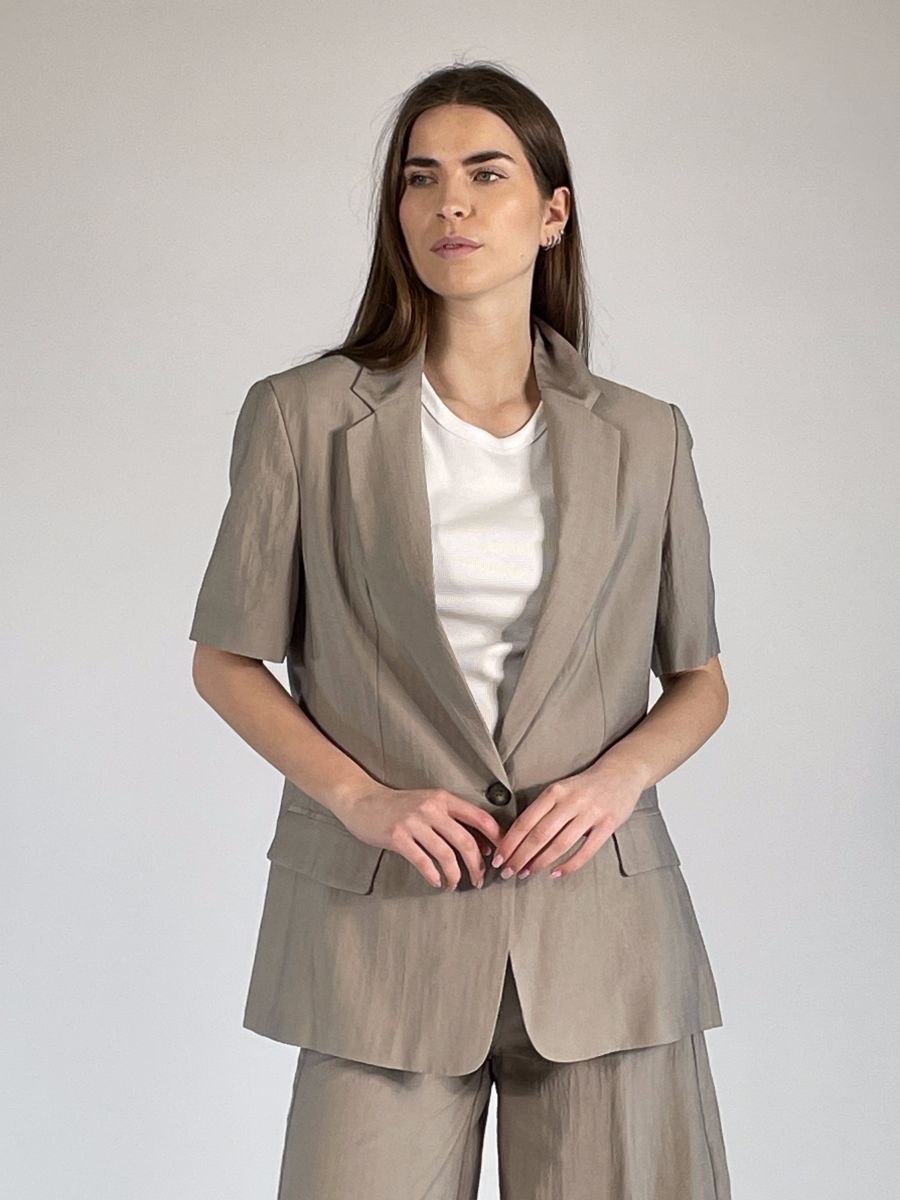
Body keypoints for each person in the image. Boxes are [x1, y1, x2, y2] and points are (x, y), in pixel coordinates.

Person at [189, 61, 732, 1200]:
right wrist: (362, 800)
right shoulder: (302, 417)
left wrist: (618, 778)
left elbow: (700, 677)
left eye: (487, 174)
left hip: (604, 931)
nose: (451, 204)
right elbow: (227, 658)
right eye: (420, 178)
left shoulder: (647, 437)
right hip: (382, 931)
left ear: (552, 212)